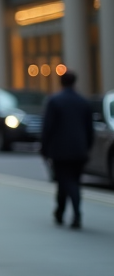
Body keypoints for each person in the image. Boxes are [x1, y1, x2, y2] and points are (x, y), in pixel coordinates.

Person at [40, 69, 94, 230]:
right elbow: (89, 129)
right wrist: (87, 147)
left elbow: (48, 127)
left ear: (61, 82)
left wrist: (44, 147)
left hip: (60, 150)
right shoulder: (83, 102)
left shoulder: (54, 101)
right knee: (71, 181)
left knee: (66, 181)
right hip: (79, 150)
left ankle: (74, 213)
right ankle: (61, 211)